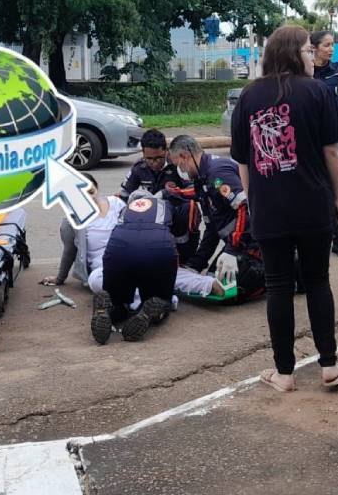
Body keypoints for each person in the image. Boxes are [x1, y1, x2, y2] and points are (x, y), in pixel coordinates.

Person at [230, 25, 338, 392]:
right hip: (314, 204)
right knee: (317, 282)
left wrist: (255, 200)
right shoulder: (318, 92)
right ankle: (328, 365)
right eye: (310, 51)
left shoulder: (249, 96)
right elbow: (332, 152)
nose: (313, 57)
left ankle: (284, 374)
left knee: (278, 287)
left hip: (270, 210)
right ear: (296, 53)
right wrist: (337, 197)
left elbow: (243, 162)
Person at [167, 135, 263, 299]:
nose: (180, 171)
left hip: (253, 242)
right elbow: (212, 229)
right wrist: (195, 265)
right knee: (212, 282)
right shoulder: (202, 179)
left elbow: (244, 206)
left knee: (232, 290)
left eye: (179, 166)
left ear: (185, 156)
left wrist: (232, 251)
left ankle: (287, 269)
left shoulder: (217, 174)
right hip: (238, 243)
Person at [92, 190, 180, 344]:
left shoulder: (124, 210)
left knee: (116, 299)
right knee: (162, 300)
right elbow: (179, 234)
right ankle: (148, 312)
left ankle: (109, 309)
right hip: (158, 248)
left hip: (119, 249)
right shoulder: (164, 205)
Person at [118, 128, 199, 263]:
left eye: (159, 158)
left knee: (189, 207)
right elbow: (124, 195)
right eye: (149, 158)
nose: (154, 162)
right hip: (148, 215)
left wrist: (167, 194)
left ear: (166, 151)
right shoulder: (139, 167)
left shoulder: (177, 164)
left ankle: (186, 256)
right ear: (143, 153)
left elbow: (194, 190)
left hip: (176, 213)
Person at [309, 30, 338, 259]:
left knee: (333, 186)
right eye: (327, 45)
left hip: (334, 134)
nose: (331, 49)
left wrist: (316, 110)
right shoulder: (304, 71)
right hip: (309, 137)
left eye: (332, 44)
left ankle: (337, 238)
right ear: (314, 47)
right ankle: (314, 238)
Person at [42, 174, 125, 295]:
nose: (89, 199)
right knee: (96, 282)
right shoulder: (72, 220)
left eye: (91, 192)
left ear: (97, 188)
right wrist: (60, 278)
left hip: (127, 257)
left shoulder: (116, 204)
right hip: (102, 267)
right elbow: (69, 251)